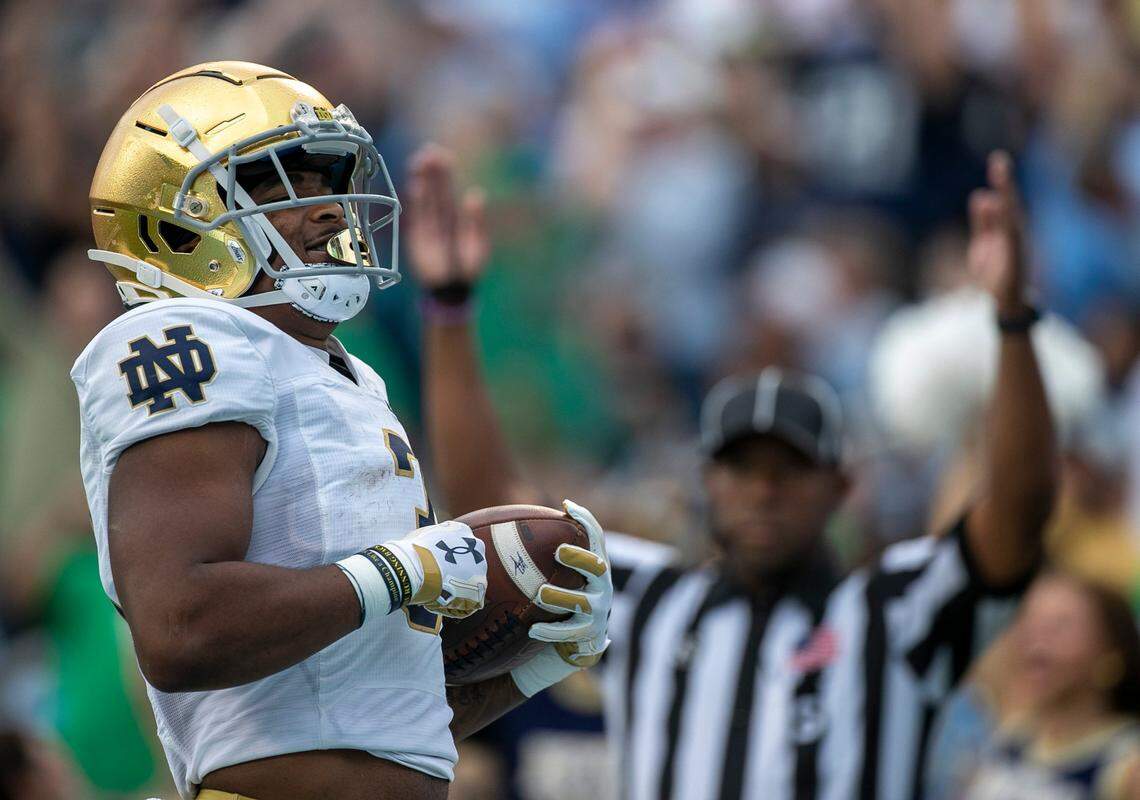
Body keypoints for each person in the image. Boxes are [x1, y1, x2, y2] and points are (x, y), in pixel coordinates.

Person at [408, 143, 1057, 799]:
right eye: (741, 468)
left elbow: (1020, 509)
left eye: (789, 470)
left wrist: (1012, 322)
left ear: (841, 488)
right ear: (707, 480)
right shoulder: (644, 603)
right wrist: (450, 308)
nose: (763, 490)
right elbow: (493, 519)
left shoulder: (900, 610)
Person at [71, 61, 613, 800]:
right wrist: (399, 570)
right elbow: (180, 627)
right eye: (282, 188)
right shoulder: (184, 337)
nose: (328, 210)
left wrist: (532, 667)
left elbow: (384, 731)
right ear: (176, 224)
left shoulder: (345, 378)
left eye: (329, 183)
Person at [965, 570, 1140, 799]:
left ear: (1109, 651)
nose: (1037, 638)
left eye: (1060, 625)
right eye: (1029, 620)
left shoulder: (1125, 763)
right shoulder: (1012, 735)